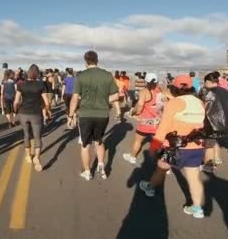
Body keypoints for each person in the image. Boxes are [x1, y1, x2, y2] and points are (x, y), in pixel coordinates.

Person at [138, 75, 207, 219]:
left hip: (174, 147)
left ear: (174, 87)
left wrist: (153, 148)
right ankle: (197, 208)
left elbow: (163, 128)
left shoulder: (174, 103)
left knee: (161, 169)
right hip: (196, 146)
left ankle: (150, 187)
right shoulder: (200, 102)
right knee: (194, 178)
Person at [68, 51, 120, 181]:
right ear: (97, 60)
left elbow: (75, 98)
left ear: (85, 61)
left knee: (85, 144)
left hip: (86, 114)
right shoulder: (107, 75)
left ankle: (87, 171)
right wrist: (103, 101)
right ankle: (101, 165)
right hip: (102, 114)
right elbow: (116, 95)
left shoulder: (81, 76)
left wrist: (70, 115)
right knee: (99, 141)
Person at [199, 71, 228, 172]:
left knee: (209, 144)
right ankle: (216, 158)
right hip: (227, 123)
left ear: (208, 81)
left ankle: (209, 166)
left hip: (212, 123)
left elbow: (201, 105)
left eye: (205, 82)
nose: (204, 84)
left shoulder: (206, 91)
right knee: (215, 140)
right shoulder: (226, 91)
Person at [15, 64, 51, 172]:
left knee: (26, 134)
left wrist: (15, 110)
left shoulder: (21, 84)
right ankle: (36, 157)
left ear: (28, 72)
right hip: (36, 113)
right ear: (37, 73)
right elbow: (46, 101)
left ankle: (28, 156)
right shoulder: (41, 84)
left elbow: (16, 101)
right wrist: (47, 110)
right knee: (37, 136)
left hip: (23, 112)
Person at [122, 73, 163, 166]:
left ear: (146, 81)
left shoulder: (144, 92)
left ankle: (132, 157)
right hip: (157, 122)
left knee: (138, 140)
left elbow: (140, 106)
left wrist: (133, 112)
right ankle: (162, 163)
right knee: (158, 143)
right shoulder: (159, 91)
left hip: (145, 122)